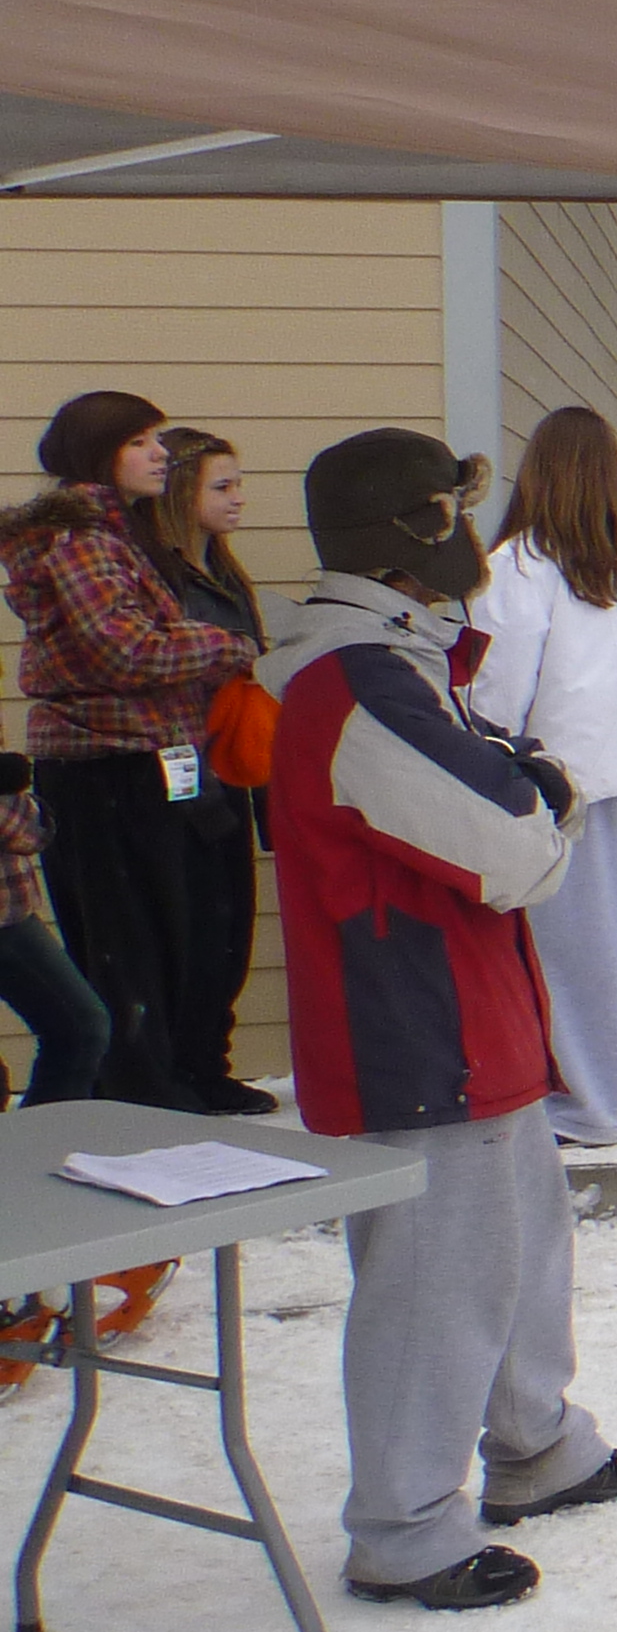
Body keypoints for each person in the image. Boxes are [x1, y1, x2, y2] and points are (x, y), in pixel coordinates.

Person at [264, 427, 617, 1614]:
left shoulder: (397, 659)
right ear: (409, 535)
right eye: (447, 510)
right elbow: (511, 846)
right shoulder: (356, 680)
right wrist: (544, 797)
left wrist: (530, 790)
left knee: (521, 1249)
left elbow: (505, 792)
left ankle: (536, 1446)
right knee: (435, 1283)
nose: (469, 533)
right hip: (413, 1026)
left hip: (463, 1016)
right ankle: (403, 1525)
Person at [0, 391, 255, 1109]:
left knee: (179, 928)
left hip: (154, 757)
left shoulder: (118, 531)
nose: (160, 454)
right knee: (131, 943)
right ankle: (142, 1102)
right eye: (140, 441)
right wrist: (227, 645)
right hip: (105, 763)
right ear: (97, 451)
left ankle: (175, 1081)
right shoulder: (80, 539)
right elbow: (123, 649)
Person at [472, 408, 617, 1149]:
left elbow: (497, 683)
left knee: (577, 956)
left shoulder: (519, 565)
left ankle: (588, 1105)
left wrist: (487, 748)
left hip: (566, 784)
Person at [137, 425, 276, 1111]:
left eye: (239, 484)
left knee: (228, 927)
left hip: (231, 765)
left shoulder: (224, 572)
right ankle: (180, 1072)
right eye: (222, 487)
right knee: (188, 926)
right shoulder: (158, 577)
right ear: (181, 492)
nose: (238, 499)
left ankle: (207, 1064)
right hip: (177, 766)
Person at [0, 747, 110, 1104]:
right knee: (80, 1029)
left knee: (80, 1029)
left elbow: (30, 828)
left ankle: (46, 1133)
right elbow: (24, 827)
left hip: (10, 913)